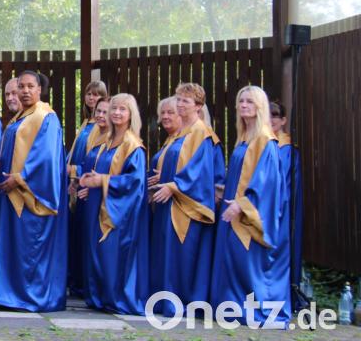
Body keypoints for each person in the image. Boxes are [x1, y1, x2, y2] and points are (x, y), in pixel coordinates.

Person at [210, 86, 290, 326]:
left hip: (248, 213)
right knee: (232, 258)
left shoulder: (265, 140)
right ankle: (231, 309)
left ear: (260, 106)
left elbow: (267, 182)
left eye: (250, 101)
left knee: (246, 260)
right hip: (233, 207)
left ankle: (253, 309)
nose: (244, 105)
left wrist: (243, 204)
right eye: (241, 101)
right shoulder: (245, 138)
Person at [0, 71, 67, 312]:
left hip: (32, 194)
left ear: (39, 89)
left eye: (30, 86)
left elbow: (47, 157)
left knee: (30, 245)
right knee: (15, 246)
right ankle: (10, 294)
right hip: (11, 192)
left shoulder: (46, 116)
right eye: (20, 86)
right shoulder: (21, 117)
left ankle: (31, 297)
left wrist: (21, 178)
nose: (24, 91)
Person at [147, 84, 217, 316]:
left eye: (185, 101)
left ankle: (179, 303)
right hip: (168, 202)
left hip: (186, 206)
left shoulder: (201, 133)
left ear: (198, 106)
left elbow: (200, 171)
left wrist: (175, 185)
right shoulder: (180, 134)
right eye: (178, 99)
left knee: (181, 256)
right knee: (166, 254)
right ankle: (162, 300)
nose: (180, 104)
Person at [78, 93, 148, 315]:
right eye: (114, 108)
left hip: (118, 211)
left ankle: (116, 298)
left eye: (122, 109)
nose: (116, 112)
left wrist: (103, 181)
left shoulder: (133, 145)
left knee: (112, 253)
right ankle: (99, 296)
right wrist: (90, 180)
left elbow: (135, 181)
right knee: (97, 252)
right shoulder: (106, 142)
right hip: (97, 206)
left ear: (131, 114)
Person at [66, 81, 108, 296]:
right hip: (77, 180)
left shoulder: (103, 129)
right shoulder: (85, 123)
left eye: (97, 95)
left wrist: (77, 173)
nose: (91, 98)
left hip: (89, 182)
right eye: (89, 94)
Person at [271, 101, 303, 293]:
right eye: (267, 115)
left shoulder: (287, 149)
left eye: (275, 115)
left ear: (283, 120)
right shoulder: (261, 142)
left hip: (280, 207)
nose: (271, 119)